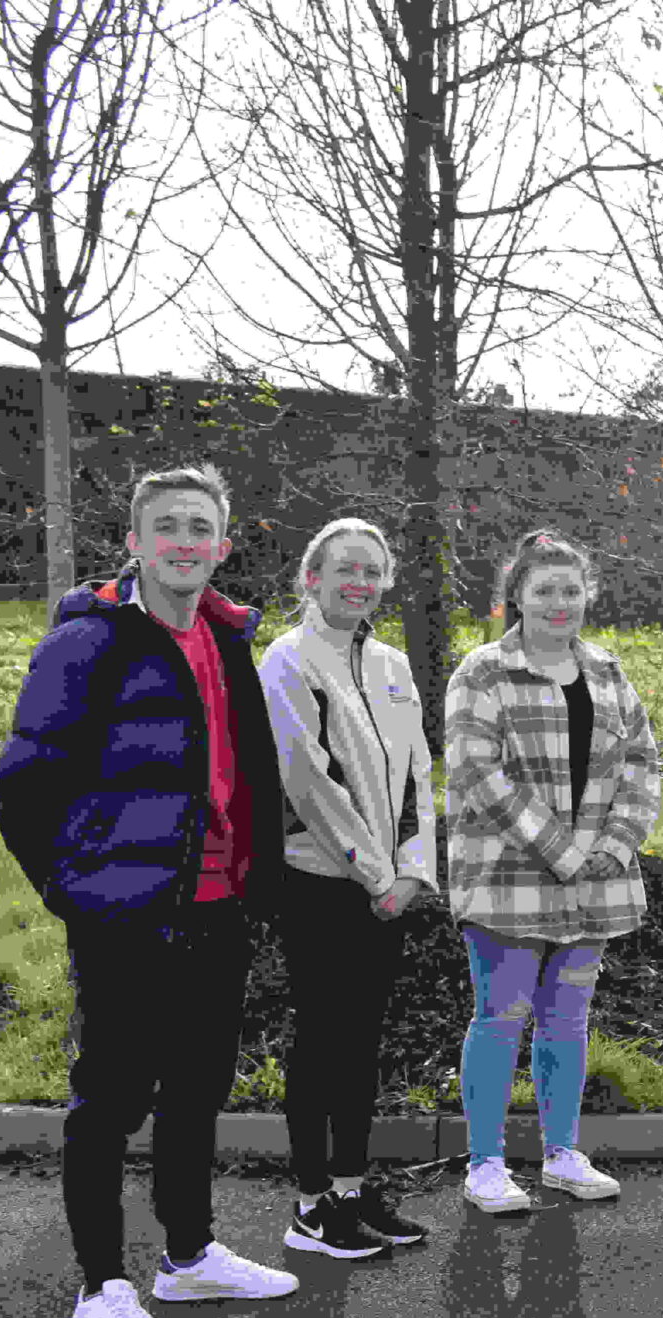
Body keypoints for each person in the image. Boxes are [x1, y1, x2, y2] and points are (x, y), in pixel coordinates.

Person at [0, 462, 297, 1318]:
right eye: (167, 526)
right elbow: (24, 789)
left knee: (198, 1090)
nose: (184, 543)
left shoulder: (230, 637)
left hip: (217, 905)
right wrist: (77, 892)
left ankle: (189, 1254)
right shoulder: (89, 643)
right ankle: (101, 1286)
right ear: (133, 541)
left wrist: (256, 879)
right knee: (112, 1097)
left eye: (200, 528)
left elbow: (247, 774)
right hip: (126, 914)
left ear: (223, 544)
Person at [443, 531, 662, 1214]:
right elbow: (478, 773)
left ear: (588, 593)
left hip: (595, 880)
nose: (560, 603)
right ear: (518, 596)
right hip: (509, 878)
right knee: (501, 1013)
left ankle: (562, 1153)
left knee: (567, 1019)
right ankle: (485, 1163)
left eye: (572, 589)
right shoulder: (482, 672)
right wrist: (566, 851)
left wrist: (617, 843)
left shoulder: (607, 671)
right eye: (545, 590)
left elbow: (642, 763)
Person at [261, 518, 439, 1259]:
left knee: (362, 1043)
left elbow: (417, 776)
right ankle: (310, 1207)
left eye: (372, 570)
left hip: (387, 889)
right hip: (320, 883)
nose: (359, 582)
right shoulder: (287, 660)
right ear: (313, 577)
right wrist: (376, 873)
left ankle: (352, 1186)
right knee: (323, 1039)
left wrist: (413, 867)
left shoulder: (393, 663)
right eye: (344, 569)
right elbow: (309, 780)